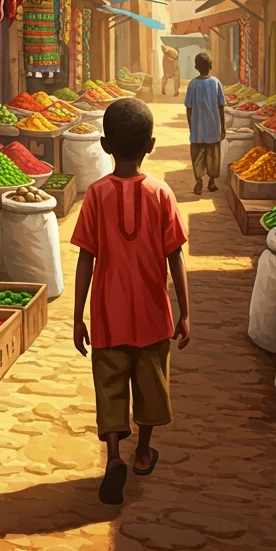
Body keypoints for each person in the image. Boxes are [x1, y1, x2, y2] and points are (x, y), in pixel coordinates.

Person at [72, 97, 190, 506]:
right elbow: (175, 254)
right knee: (150, 385)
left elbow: (86, 257)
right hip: (154, 314)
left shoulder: (95, 195)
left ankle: (113, 457)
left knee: (109, 388)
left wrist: (76, 317)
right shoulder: (161, 193)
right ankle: (142, 451)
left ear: (105, 145)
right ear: (152, 144)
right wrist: (186, 312)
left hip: (107, 314)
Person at [184, 52, 225, 196]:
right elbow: (221, 106)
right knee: (213, 154)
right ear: (210, 66)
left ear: (196, 67)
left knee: (198, 154)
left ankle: (199, 179)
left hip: (198, 127)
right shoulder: (215, 82)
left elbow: (188, 108)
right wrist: (223, 127)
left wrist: (191, 126)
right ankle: (211, 181)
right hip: (213, 127)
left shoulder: (193, 84)